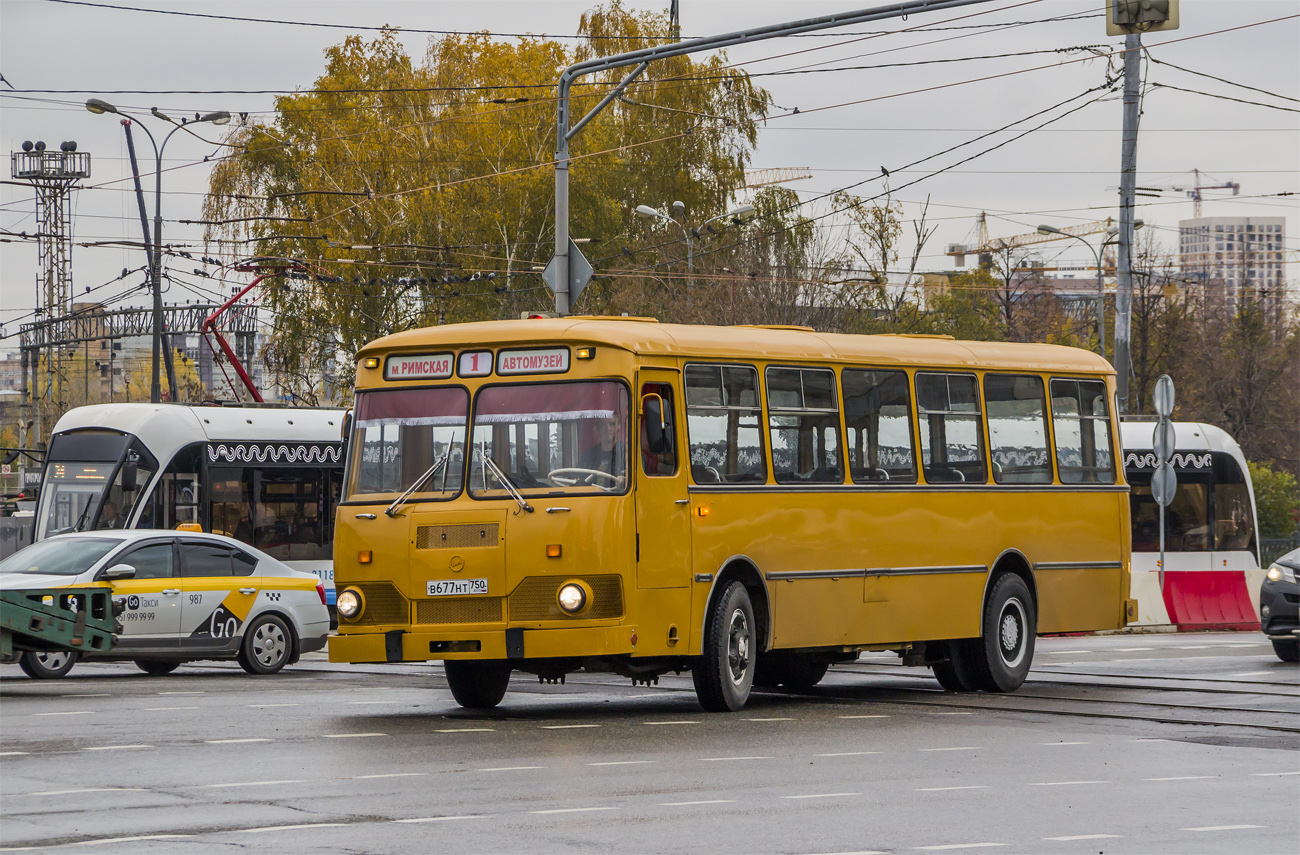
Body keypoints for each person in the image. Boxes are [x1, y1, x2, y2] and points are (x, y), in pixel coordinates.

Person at [578, 416, 626, 487]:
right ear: (597, 428)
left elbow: (639, 481)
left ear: (618, 427)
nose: (608, 428)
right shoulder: (587, 456)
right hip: (589, 497)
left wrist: (625, 480)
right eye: (603, 424)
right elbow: (576, 478)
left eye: (612, 424)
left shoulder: (628, 454)